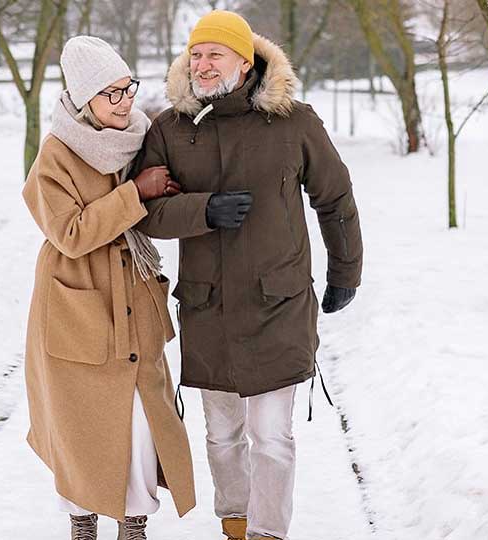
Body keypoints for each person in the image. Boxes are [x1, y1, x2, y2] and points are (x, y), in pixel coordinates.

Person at [130, 11, 364, 540]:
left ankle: (267, 532)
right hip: (207, 307)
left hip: (277, 303)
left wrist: (345, 270)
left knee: (272, 435)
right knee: (221, 434)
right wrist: (203, 210)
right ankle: (234, 522)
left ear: (245, 59)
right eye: (196, 54)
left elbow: (335, 196)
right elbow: (145, 213)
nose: (203, 64)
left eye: (215, 54)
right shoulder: (170, 129)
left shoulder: (294, 122)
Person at [22, 36, 195, 540]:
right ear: (82, 99)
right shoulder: (55, 156)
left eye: (127, 90)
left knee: (143, 419)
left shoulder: (139, 139)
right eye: (110, 94)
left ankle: (133, 522)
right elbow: (70, 233)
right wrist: (134, 193)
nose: (124, 103)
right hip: (76, 300)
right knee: (83, 425)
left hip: (133, 297)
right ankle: (83, 522)